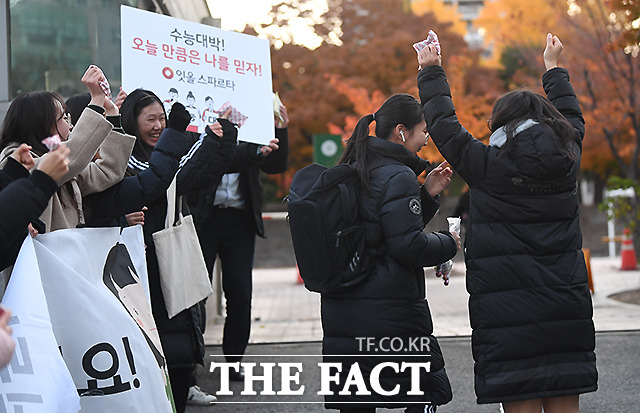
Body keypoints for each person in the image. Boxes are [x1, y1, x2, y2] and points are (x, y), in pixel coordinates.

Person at [417, 33, 597, 412]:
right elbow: (574, 117)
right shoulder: (568, 158)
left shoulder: (488, 166)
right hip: (565, 308)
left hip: (507, 315)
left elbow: (444, 126)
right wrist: (554, 67)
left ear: (500, 125)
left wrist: (431, 70)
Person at [89, 88, 236, 413]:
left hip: (169, 267)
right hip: (135, 272)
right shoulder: (118, 159)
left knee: (179, 359)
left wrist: (222, 138)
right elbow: (155, 179)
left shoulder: (169, 157)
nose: (158, 125)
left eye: (162, 119)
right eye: (150, 119)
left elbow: (195, 171)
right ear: (132, 121)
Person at [321, 94, 460, 412]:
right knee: (421, 395)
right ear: (401, 131)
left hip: (345, 309)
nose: (427, 138)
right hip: (390, 312)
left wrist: (424, 195)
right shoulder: (398, 175)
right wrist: (448, 243)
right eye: (423, 130)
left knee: (357, 401)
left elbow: (379, 231)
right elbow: (406, 246)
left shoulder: (354, 166)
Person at [179, 104, 289, 397]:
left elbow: (275, 165)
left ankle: (234, 360)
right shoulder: (201, 122)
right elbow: (222, 160)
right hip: (203, 218)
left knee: (240, 293)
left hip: (239, 220)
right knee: (195, 295)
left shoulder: (252, 125)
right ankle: (188, 368)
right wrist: (249, 150)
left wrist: (280, 130)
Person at [0, 65, 135, 259]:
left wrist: (112, 113)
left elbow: (108, 172)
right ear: (41, 124)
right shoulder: (15, 161)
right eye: (63, 118)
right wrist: (96, 101)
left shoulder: (55, 160)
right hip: (38, 276)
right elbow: (70, 160)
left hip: (65, 268)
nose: (70, 125)